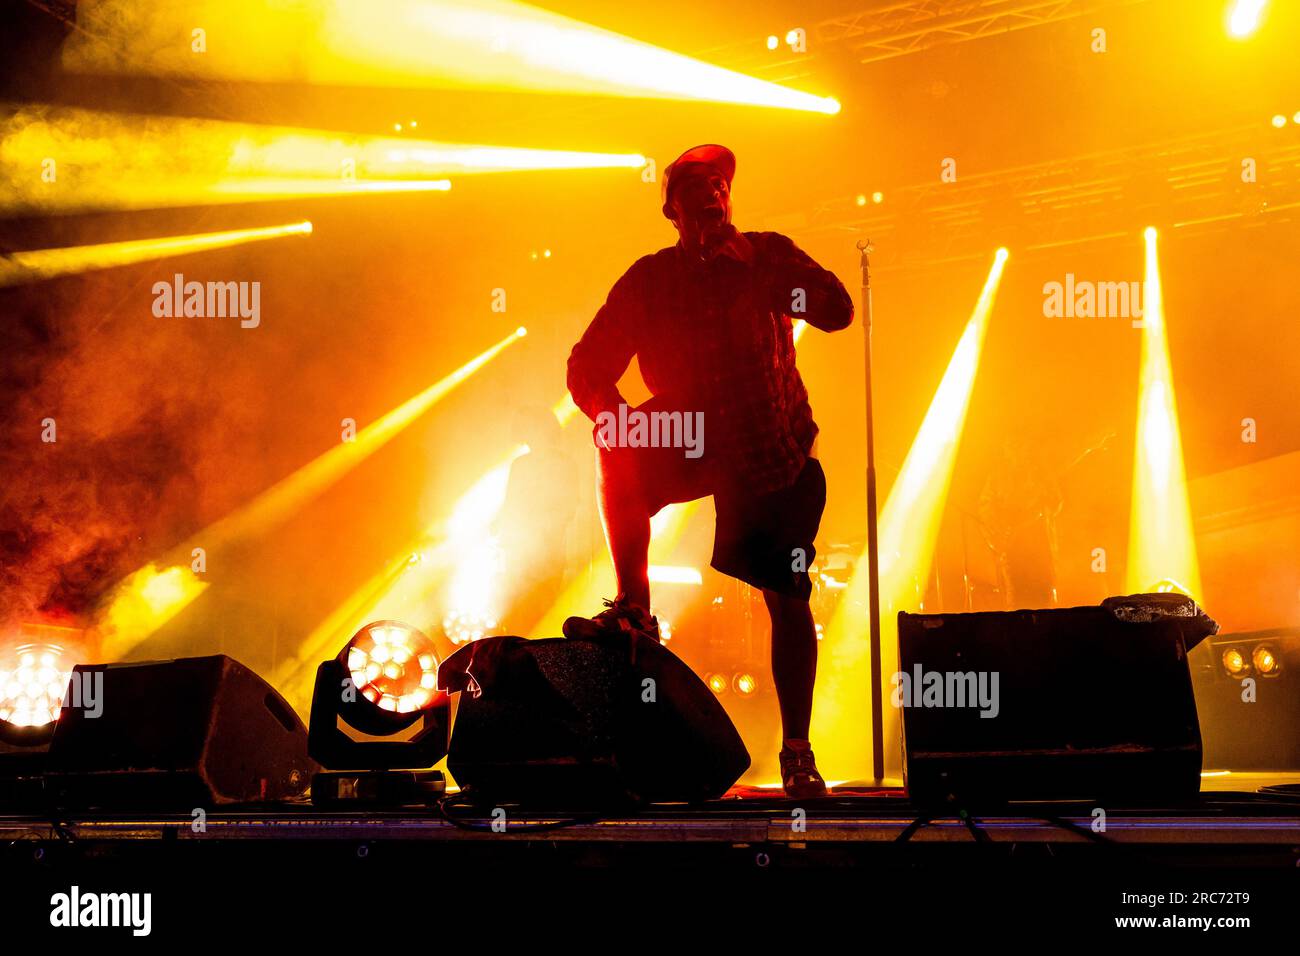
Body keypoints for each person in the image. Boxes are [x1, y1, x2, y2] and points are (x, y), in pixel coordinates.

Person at [564, 144, 853, 798]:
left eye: (719, 183)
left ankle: (797, 751)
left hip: (771, 445)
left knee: (787, 596)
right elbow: (586, 367)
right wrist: (617, 417)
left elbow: (836, 311)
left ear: (730, 198)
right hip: (693, 431)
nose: (710, 193)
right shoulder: (651, 279)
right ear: (671, 210)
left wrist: (767, 273)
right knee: (619, 447)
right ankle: (634, 609)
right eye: (694, 187)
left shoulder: (768, 254)